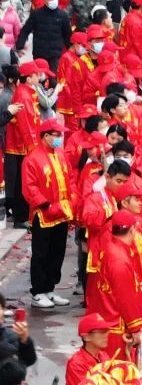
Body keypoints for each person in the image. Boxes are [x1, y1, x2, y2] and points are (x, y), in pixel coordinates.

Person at [23, 118, 74, 309]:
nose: (60, 138)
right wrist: (44, 204)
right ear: (46, 136)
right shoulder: (32, 158)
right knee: (41, 253)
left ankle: (49, 289)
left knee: (57, 252)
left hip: (61, 211)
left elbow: (69, 178)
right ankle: (38, 292)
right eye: (57, 135)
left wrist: (71, 201)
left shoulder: (60, 154)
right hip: (43, 214)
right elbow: (29, 187)